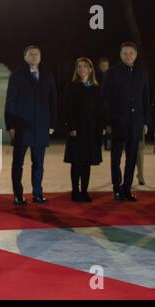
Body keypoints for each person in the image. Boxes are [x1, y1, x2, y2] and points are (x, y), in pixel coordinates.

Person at [5, 45, 57, 206]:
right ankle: (18, 195)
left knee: (39, 163)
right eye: (31, 54)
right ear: (25, 56)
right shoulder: (16, 75)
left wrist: (52, 123)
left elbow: (53, 100)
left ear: (41, 57)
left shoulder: (47, 74)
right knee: (18, 163)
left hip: (41, 126)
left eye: (37, 54)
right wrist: (10, 125)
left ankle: (38, 193)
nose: (34, 56)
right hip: (21, 126)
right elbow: (10, 101)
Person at [101, 42, 150, 201]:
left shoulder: (142, 73)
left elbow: (145, 98)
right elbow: (105, 99)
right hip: (117, 122)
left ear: (135, 55)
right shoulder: (112, 72)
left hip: (136, 122)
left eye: (131, 53)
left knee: (132, 157)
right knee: (116, 157)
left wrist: (145, 122)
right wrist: (107, 122)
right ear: (120, 55)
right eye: (125, 53)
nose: (128, 56)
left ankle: (126, 189)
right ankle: (117, 188)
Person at [63, 57, 104, 202]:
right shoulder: (72, 86)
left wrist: (101, 129)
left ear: (91, 69)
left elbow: (100, 111)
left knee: (87, 162)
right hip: (77, 129)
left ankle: (84, 191)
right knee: (76, 161)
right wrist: (71, 127)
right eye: (79, 66)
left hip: (91, 130)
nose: (82, 69)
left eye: (85, 66)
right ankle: (75, 191)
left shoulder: (96, 88)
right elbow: (68, 109)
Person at [96, 57, 111, 151]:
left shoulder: (111, 76)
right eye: (103, 65)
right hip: (98, 104)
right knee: (99, 124)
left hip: (108, 104)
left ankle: (108, 145)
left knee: (108, 124)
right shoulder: (95, 77)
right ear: (99, 66)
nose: (104, 67)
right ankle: (98, 144)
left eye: (106, 66)